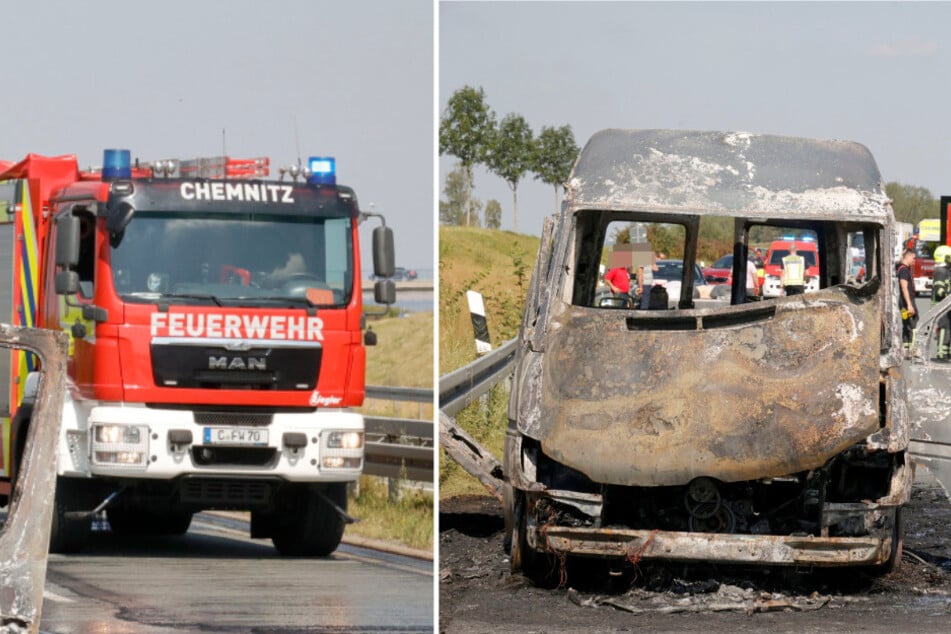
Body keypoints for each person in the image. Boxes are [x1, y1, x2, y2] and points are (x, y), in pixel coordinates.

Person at [931, 245, 951, 360]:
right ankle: (941, 353)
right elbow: (939, 291)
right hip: (940, 306)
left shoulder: (945, 271)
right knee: (943, 327)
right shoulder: (940, 272)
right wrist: (947, 291)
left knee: (949, 327)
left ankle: (947, 352)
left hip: (946, 306)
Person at [897, 248, 917, 349]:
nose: (914, 261)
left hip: (903, 301)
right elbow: (904, 287)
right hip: (907, 301)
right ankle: (912, 348)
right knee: (913, 323)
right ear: (908, 256)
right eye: (913, 258)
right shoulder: (904, 270)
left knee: (906, 323)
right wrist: (909, 304)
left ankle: (906, 348)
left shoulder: (902, 269)